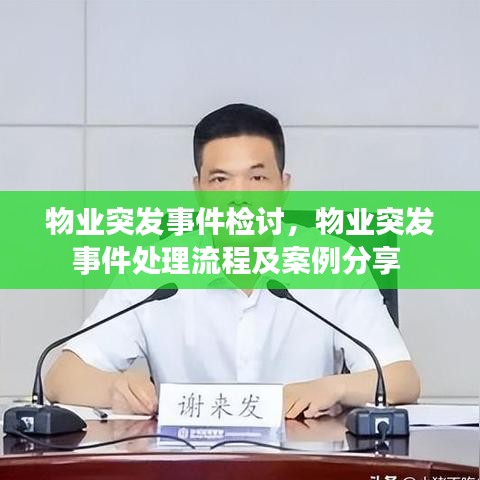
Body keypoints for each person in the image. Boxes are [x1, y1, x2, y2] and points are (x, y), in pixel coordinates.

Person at [45, 103, 420, 419]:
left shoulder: (332, 262)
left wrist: (332, 388)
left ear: (284, 187)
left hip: (304, 465)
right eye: (221, 180)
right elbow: (61, 377)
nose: (239, 198)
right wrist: (115, 389)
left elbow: (402, 379)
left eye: (257, 178)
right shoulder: (158, 267)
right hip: (188, 467)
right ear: (198, 191)